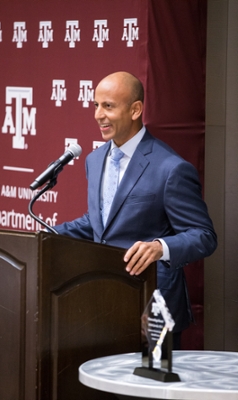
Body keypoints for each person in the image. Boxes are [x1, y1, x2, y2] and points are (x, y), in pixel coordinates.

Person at [54, 71, 217, 348]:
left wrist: (160, 247)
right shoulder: (94, 160)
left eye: (108, 106)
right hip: (101, 304)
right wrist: (44, 235)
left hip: (152, 310)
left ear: (135, 110)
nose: (98, 115)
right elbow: (101, 222)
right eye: (96, 105)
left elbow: (203, 236)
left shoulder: (171, 168)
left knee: (146, 392)